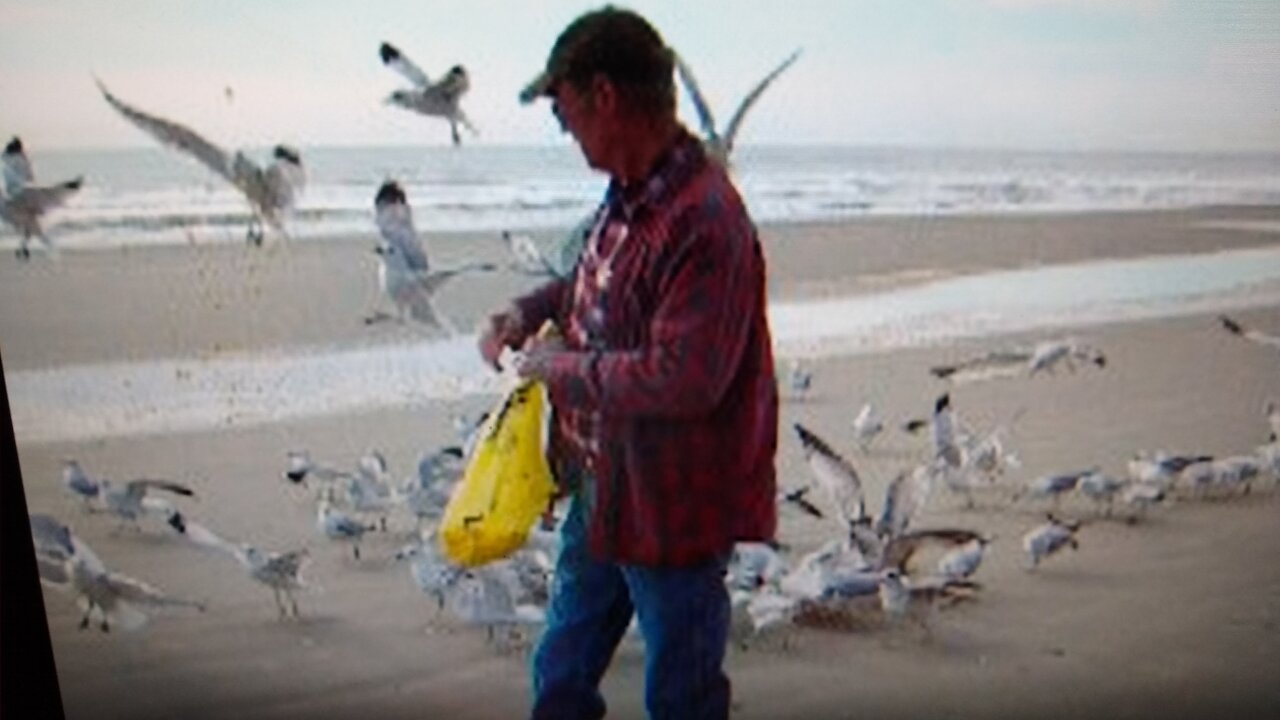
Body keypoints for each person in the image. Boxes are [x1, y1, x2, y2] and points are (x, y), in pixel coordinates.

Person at [478, 6, 779, 720]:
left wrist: (560, 368)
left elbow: (683, 378)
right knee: (562, 667)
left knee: (683, 692)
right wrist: (522, 313)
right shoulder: (627, 196)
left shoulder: (706, 220)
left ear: (604, 95)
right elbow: (590, 283)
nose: (564, 131)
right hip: (602, 482)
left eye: (563, 111)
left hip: (674, 505)